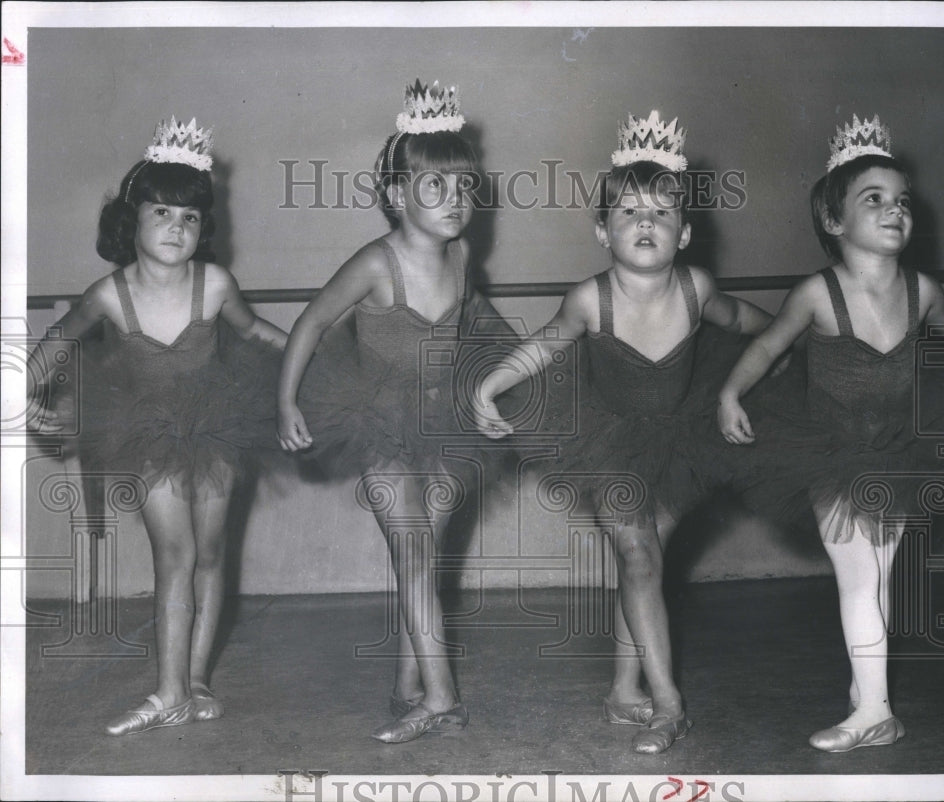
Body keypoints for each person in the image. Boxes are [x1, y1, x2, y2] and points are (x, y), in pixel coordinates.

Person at [475, 111, 775, 754]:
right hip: (605, 441)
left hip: (680, 440)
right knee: (640, 557)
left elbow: (747, 319)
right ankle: (668, 703)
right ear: (601, 230)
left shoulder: (697, 288)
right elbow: (543, 346)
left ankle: (622, 691)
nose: (646, 223)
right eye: (629, 213)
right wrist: (489, 385)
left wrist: (792, 337)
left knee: (645, 566)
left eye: (662, 214)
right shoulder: (590, 298)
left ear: (685, 232)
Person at [717, 114, 944, 752]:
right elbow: (768, 347)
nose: (895, 211)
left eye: (902, 201)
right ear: (835, 222)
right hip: (831, 455)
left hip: (902, 453)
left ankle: (870, 695)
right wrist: (730, 392)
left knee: (878, 581)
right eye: (875, 199)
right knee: (860, 580)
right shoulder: (817, 291)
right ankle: (876, 715)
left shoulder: (923, 289)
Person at [27, 117, 288, 735]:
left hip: (218, 427)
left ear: (205, 229)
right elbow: (47, 354)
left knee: (211, 554)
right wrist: (27, 398)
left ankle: (195, 681)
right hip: (145, 435)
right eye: (162, 212)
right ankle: (167, 691)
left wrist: (312, 357)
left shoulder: (216, 283)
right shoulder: (108, 295)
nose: (177, 227)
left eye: (191, 217)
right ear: (131, 220)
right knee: (175, 554)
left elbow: (258, 334)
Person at [277, 80, 492, 744]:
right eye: (436, 188)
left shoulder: (463, 256)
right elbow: (310, 324)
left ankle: (408, 684)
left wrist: (493, 384)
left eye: (464, 188)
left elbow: (471, 320)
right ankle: (442, 700)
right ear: (396, 196)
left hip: (447, 426)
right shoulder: (376, 263)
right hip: (380, 430)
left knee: (424, 559)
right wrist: (285, 399)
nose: (455, 202)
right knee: (415, 556)